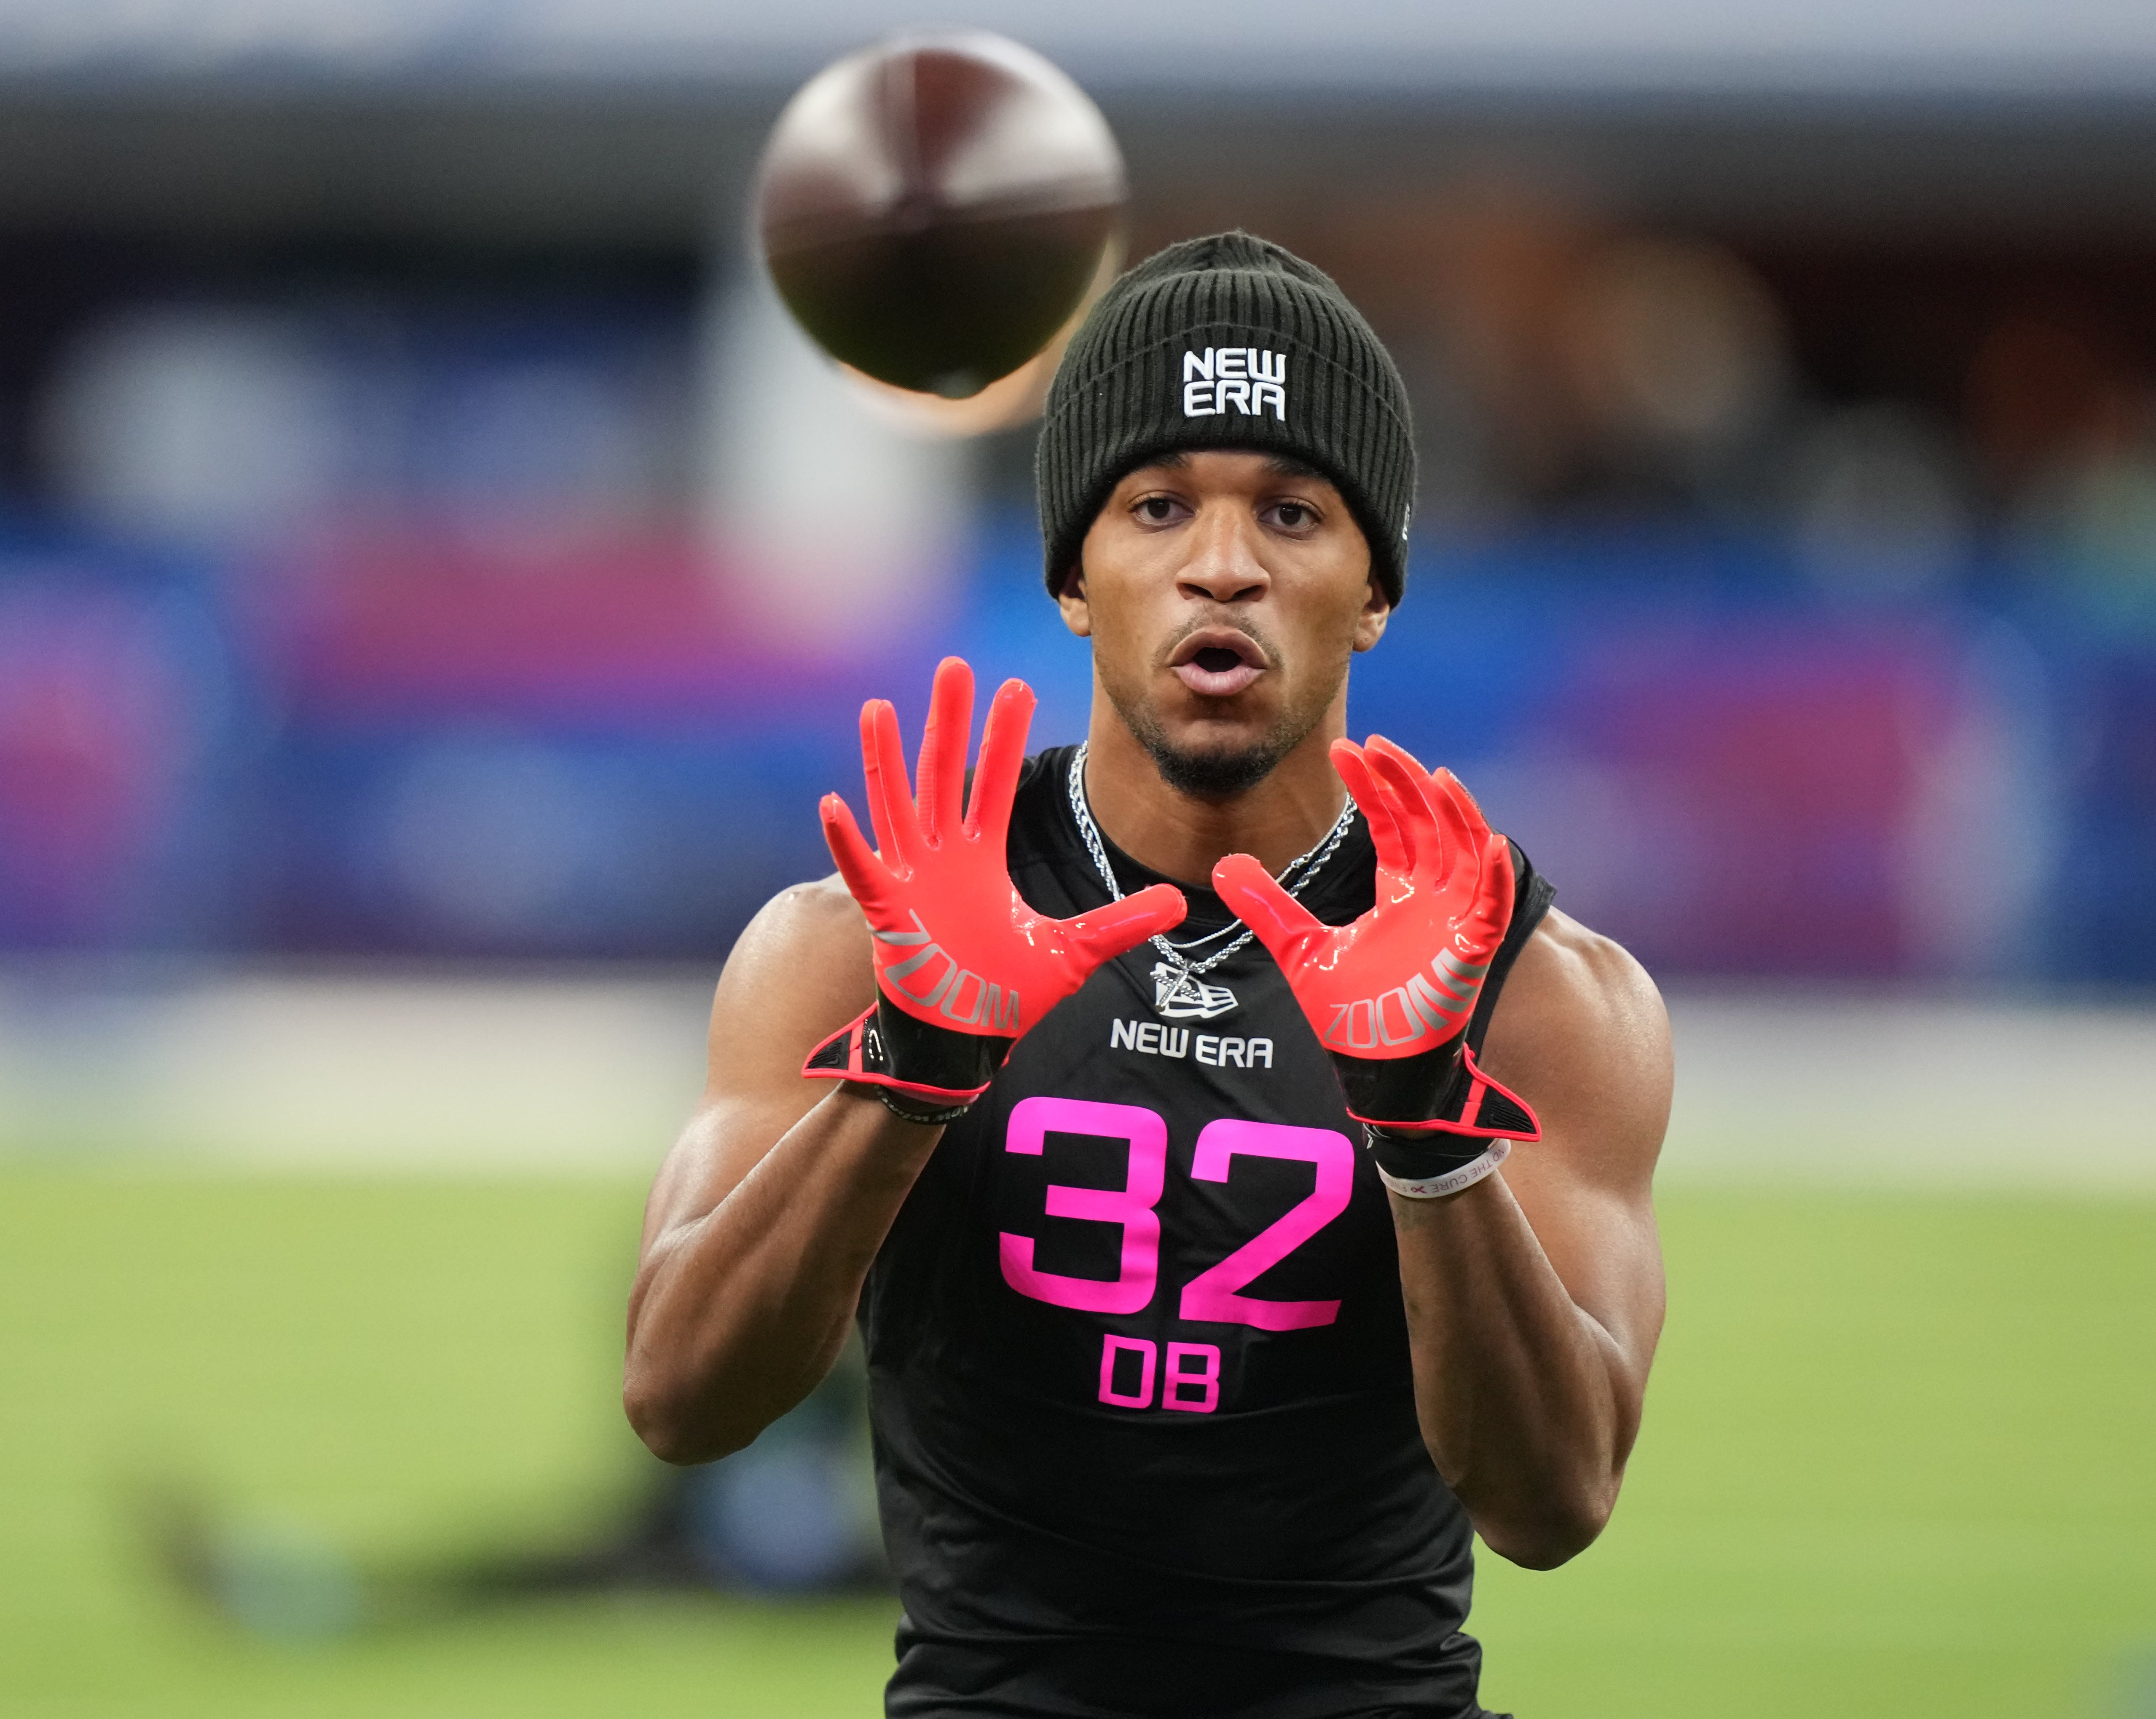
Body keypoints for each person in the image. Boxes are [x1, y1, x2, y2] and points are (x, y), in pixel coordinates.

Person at [624, 232, 1671, 1719]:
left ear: (1375, 589)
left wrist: (1433, 1139)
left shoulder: (1536, 988)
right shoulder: (859, 939)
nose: (1222, 566)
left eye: (1293, 513)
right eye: (1159, 505)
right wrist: (907, 1073)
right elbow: (681, 1400)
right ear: (1075, 574)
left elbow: (1555, 1502)